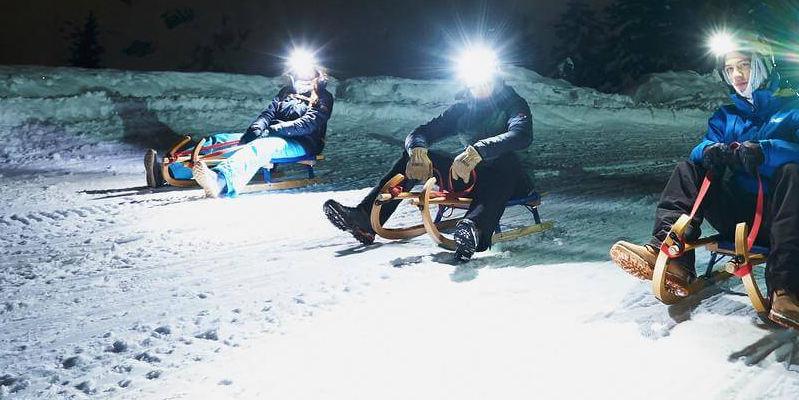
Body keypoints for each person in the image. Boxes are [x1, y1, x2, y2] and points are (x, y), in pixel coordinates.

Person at [609, 35, 799, 329]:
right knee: (691, 168)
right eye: (730, 69)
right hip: (743, 221)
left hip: (798, 220)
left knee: (794, 173)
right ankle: (671, 256)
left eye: (744, 65)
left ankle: (788, 290)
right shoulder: (726, 117)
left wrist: (769, 152)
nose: (736, 75)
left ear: (762, 66)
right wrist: (709, 151)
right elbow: (702, 148)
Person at [323, 47, 534, 262]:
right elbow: (422, 132)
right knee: (414, 159)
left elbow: (521, 134)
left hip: (513, 180)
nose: (479, 86)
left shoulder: (512, 103)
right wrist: (417, 150)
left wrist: (478, 151)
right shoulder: (463, 109)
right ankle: (365, 219)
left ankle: (474, 230)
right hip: (472, 176)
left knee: (505, 162)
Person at [147, 51, 333, 198]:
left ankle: (220, 180)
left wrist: (273, 130)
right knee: (221, 140)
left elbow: (308, 123)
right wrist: (257, 128)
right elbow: (269, 113)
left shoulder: (324, 97)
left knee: (259, 147)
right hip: (272, 134)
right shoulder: (286, 91)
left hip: (301, 143)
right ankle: (167, 172)